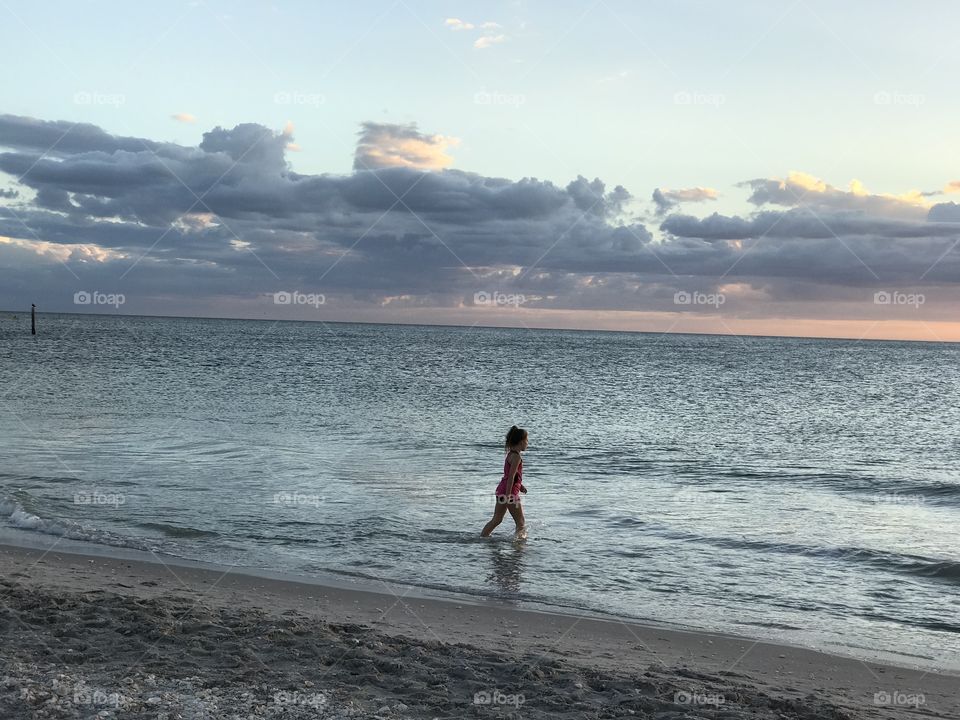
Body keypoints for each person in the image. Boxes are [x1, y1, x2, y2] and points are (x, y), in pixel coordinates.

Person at [480, 425, 528, 538]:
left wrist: (520, 486)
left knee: (496, 520)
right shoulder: (516, 457)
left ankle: (483, 538)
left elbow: (511, 475)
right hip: (509, 492)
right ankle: (519, 548)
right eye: (526, 441)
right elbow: (511, 477)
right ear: (521, 442)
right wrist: (508, 496)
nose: (527, 443)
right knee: (520, 522)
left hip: (502, 489)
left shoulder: (510, 454)